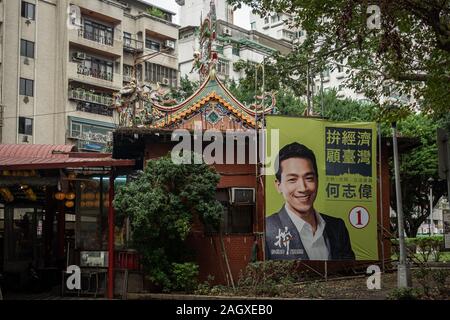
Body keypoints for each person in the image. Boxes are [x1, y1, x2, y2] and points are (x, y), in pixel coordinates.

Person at [265, 142, 355, 260]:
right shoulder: (266, 230)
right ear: (278, 185)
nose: (303, 188)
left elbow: (349, 272)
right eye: (292, 179)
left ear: (317, 180)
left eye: (309, 178)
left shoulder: (337, 227)